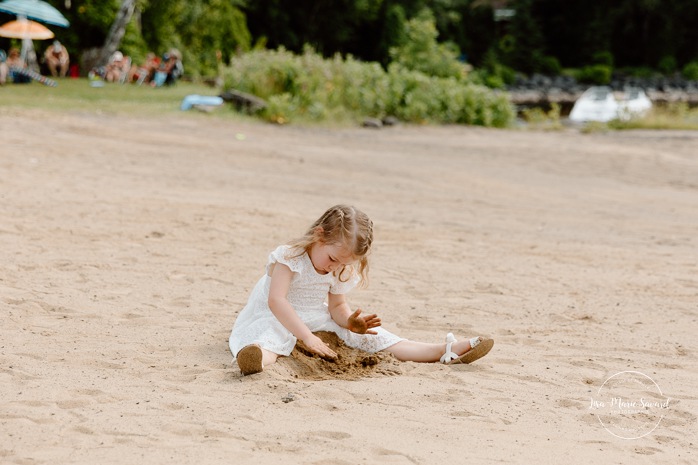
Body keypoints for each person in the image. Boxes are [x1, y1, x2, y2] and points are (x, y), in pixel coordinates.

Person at [229, 204, 494, 375]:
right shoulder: (289, 257)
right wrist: (307, 337)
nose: (334, 268)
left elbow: (336, 307)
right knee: (271, 337)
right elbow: (277, 301)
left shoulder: (339, 267)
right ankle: (256, 358)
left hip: (314, 315)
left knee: (373, 337)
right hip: (276, 314)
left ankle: (442, 349)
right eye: (333, 259)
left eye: (343, 264)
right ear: (319, 236)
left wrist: (349, 322)